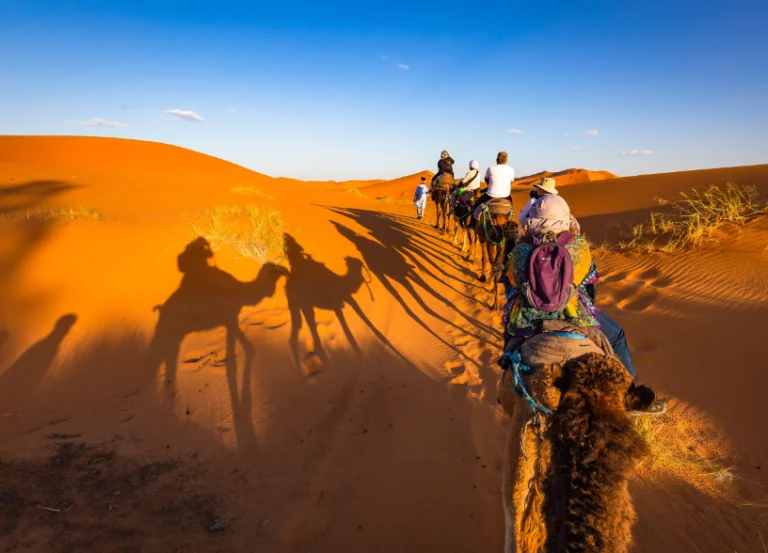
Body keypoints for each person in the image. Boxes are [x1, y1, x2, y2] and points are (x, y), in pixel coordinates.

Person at [501, 195, 665, 414]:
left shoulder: (520, 250)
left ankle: (504, 384)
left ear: (534, 218)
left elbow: (511, 287)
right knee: (616, 335)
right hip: (575, 315)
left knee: (510, 338)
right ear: (564, 218)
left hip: (528, 321)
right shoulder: (578, 245)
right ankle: (630, 394)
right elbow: (590, 281)